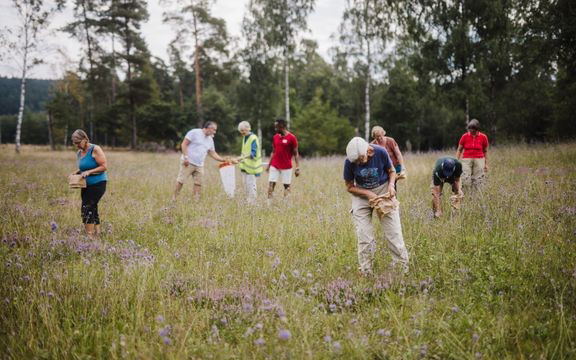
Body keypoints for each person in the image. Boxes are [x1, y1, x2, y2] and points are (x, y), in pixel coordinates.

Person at [343, 137, 409, 276]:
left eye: (361, 159)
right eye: (356, 162)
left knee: (394, 233)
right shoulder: (349, 161)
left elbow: (391, 171)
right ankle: (366, 272)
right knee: (364, 236)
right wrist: (367, 193)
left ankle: (401, 271)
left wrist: (391, 185)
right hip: (361, 194)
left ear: (369, 151)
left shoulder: (380, 152)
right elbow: (349, 187)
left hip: (383, 189)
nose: (359, 163)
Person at [173, 121, 228, 200]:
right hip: (188, 162)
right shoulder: (194, 132)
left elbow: (212, 152)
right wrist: (186, 157)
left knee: (198, 183)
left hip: (199, 165)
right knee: (181, 181)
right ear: (209, 128)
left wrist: (222, 159)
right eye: (214, 130)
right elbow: (184, 144)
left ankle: (196, 200)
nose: (215, 132)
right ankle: (174, 198)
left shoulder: (210, 140)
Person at [71, 129, 108, 237]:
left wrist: (89, 172)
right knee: (92, 207)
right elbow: (83, 168)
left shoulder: (95, 149)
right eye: (74, 143)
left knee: (87, 208)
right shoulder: (79, 152)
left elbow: (104, 167)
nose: (77, 145)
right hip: (86, 185)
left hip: (98, 183)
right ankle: (97, 233)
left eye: (78, 143)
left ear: (85, 139)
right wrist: (76, 172)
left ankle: (89, 237)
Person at [266, 118, 300, 199]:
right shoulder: (275, 137)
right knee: (271, 185)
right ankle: (268, 204)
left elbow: (296, 153)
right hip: (274, 166)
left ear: (282, 126)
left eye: (276, 127)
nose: (275, 129)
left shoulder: (292, 138)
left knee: (286, 186)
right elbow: (273, 152)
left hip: (286, 166)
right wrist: (269, 165)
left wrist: (297, 167)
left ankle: (286, 205)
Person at [456, 119, 489, 191]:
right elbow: (459, 150)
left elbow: (485, 151)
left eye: (472, 129)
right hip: (466, 160)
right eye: (469, 129)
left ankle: (476, 197)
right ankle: (465, 195)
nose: (470, 131)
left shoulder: (483, 137)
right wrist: (456, 161)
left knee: (478, 181)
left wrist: (486, 164)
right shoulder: (464, 136)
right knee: (465, 179)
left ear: (477, 129)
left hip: (479, 160)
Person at [237, 121, 263, 203]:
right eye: (240, 131)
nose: (242, 132)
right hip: (245, 167)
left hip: (252, 168)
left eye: (243, 130)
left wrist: (241, 158)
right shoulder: (245, 137)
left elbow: (253, 154)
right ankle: (248, 202)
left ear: (248, 129)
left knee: (251, 186)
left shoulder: (253, 138)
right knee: (246, 186)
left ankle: (253, 204)